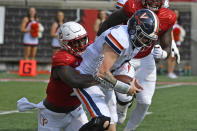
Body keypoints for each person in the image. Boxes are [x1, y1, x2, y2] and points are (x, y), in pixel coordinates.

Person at [68, 9, 159, 131]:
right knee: (101, 121)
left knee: (111, 124)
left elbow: (117, 67)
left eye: (148, 39)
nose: (145, 42)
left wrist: (130, 79)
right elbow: (101, 73)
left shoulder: (134, 44)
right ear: (133, 28)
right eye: (143, 37)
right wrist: (126, 88)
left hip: (101, 81)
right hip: (86, 78)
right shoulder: (120, 37)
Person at [97, 0, 178, 130]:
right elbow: (108, 24)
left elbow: (167, 45)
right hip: (127, 56)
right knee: (123, 95)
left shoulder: (167, 16)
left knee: (145, 102)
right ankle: (122, 108)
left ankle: (129, 129)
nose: (155, 1)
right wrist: (98, 44)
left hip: (147, 58)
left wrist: (163, 53)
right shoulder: (132, 6)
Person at [17, 21, 96, 131]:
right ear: (65, 43)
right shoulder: (62, 58)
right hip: (52, 115)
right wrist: (101, 78)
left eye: (83, 40)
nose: (82, 45)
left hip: (76, 111)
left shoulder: (91, 49)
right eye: (76, 42)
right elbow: (75, 81)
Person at [167, 9, 186, 79]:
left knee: (175, 57)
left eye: (177, 13)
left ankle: (171, 72)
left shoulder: (179, 23)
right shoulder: (170, 21)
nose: (176, 15)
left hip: (177, 43)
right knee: (170, 57)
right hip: (171, 42)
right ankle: (169, 72)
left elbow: (181, 33)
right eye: (174, 13)